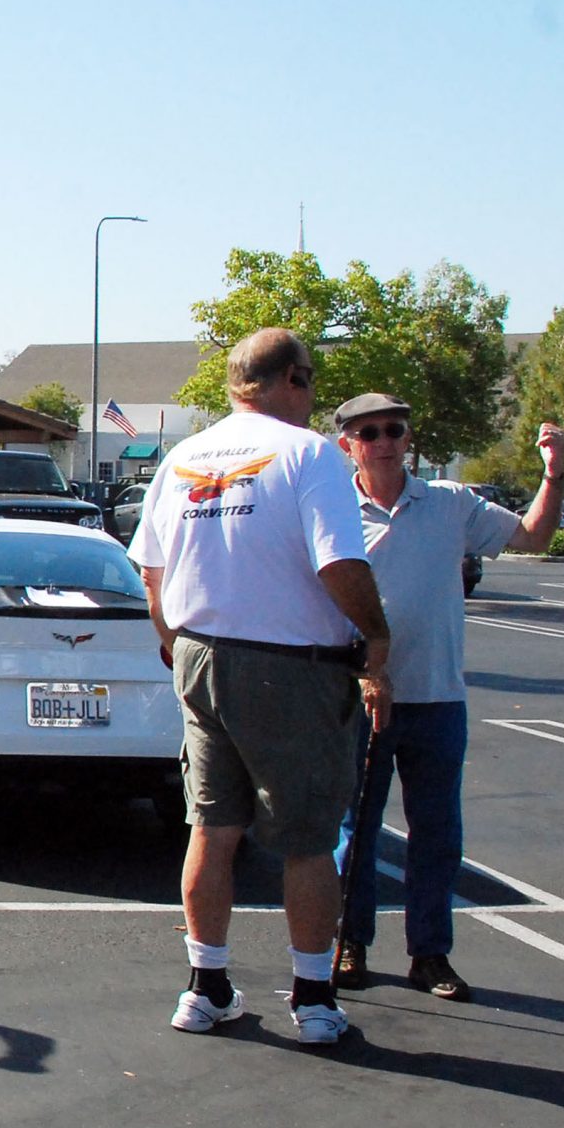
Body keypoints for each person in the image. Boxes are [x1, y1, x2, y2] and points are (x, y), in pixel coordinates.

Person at [129, 327, 394, 1048]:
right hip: (290, 666)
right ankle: (312, 996)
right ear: (285, 382)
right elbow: (340, 563)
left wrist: (170, 638)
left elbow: (150, 569)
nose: (311, 396)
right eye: (306, 380)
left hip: (200, 654)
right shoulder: (310, 456)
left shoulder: (182, 457)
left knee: (212, 828)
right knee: (308, 838)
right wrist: (376, 635)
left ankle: (205, 984)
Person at [331, 395, 564, 1002]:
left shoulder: (451, 504)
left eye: (394, 429)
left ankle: (430, 955)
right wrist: (356, 670)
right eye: (369, 432)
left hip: (437, 699)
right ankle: (349, 942)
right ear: (347, 445)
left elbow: (534, 537)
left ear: (408, 437)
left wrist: (553, 470)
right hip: (359, 698)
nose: (384, 440)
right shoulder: (331, 510)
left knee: (436, 833)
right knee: (354, 831)